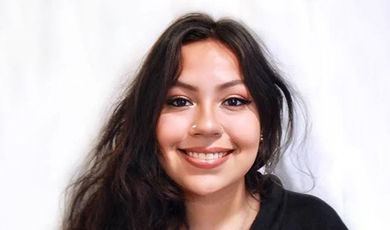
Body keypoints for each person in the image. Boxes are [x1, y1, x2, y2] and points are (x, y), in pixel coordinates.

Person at [62, 13, 348, 230]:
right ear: (148, 121)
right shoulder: (110, 221)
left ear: (265, 120)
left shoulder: (312, 223)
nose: (207, 125)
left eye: (234, 101)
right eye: (179, 101)